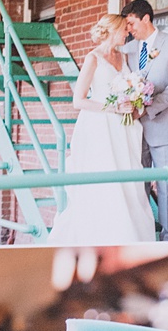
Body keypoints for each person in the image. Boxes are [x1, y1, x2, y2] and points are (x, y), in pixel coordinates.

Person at [48, 14, 158, 244]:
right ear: (110, 31)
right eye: (123, 30)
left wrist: (135, 101)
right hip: (100, 127)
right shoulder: (93, 58)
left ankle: (131, 237)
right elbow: (78, 101)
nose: (127, 33)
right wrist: (113, 107)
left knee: (129, 183)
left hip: (125, 128)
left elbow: (131, 84)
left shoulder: (124, 56)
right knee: (107, 184)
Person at [120, 0, 168, 241]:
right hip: (134, 131)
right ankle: (144, 236)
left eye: (131, 23)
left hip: (164, 127)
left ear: (145, 18)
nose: (129, 29)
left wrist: (148, 109)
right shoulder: (126, 51)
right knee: (138, 187)